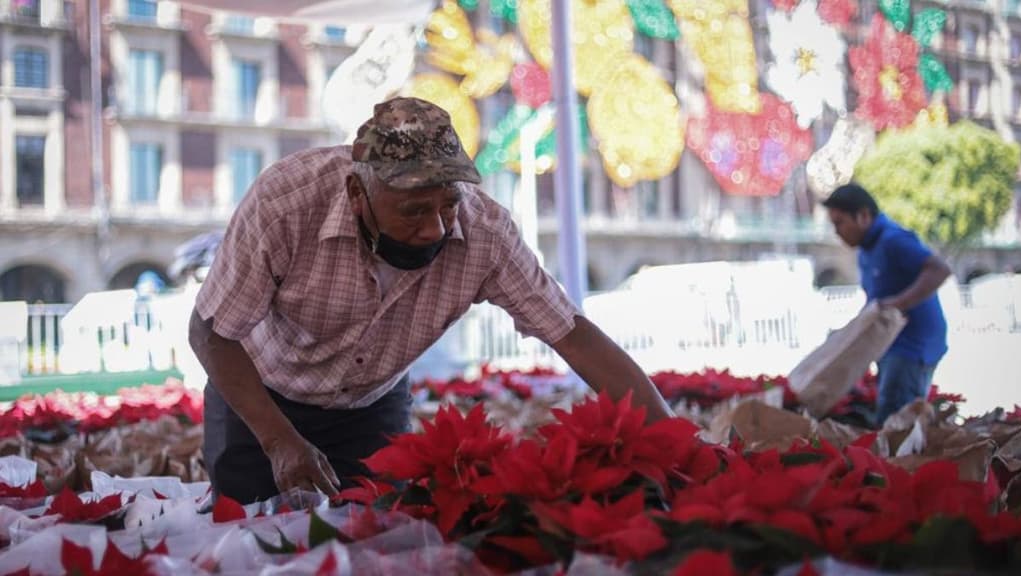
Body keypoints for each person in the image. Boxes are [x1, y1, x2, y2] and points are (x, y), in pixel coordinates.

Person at [189, 97, 675, 504]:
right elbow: (210, 332)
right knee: (247, 537)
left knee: (376, 541)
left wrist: (673, 443)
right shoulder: (287, 202)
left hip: (370, 402)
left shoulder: (486, 233)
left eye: (448, 205)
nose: (436, 228)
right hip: (258, 397)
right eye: (414, 210)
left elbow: (574, 336)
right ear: (358, 192)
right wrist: (279, 441)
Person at [822, 183, 952, 426]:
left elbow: (940, 270)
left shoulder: (893, 240)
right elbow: (876, 301)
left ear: (863, 216)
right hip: (890, 344)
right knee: (890, 419)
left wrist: (898, 304)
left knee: (895, 424)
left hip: (912, 346)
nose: (836, 231)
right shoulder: (866, 251)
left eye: (839, 223)